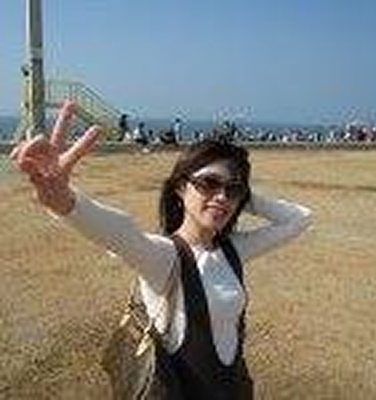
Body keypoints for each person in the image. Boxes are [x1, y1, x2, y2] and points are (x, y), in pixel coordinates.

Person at [10, 101, 312, 399]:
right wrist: (63, 199)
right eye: (208, 183)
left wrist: (241, 193)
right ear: (180, 188)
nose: (222, 196)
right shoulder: (165, 257)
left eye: (232, 190)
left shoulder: (232, 250)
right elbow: (121, 232)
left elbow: (300, 219)